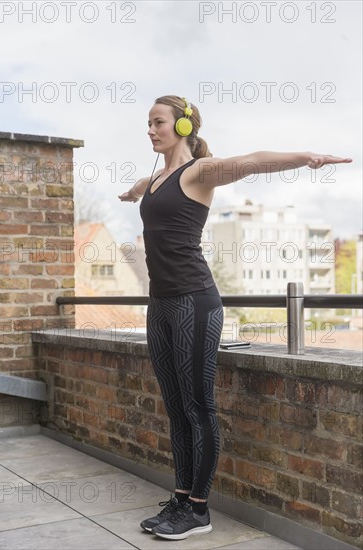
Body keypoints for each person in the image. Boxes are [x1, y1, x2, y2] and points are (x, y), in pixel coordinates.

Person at [118, 95, 352, 540]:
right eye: (147, 123)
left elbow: (253, 161)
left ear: (183, 127)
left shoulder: (200, 173)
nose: (150, 130)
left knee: (196, 405)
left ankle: (199, 510)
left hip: (194, 301)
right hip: (161, 304)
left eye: (158, 122)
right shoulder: (154, 179)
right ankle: (181, 497)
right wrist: (132, 192)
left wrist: (307, 157)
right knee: (174, 408)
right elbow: (141, 193)